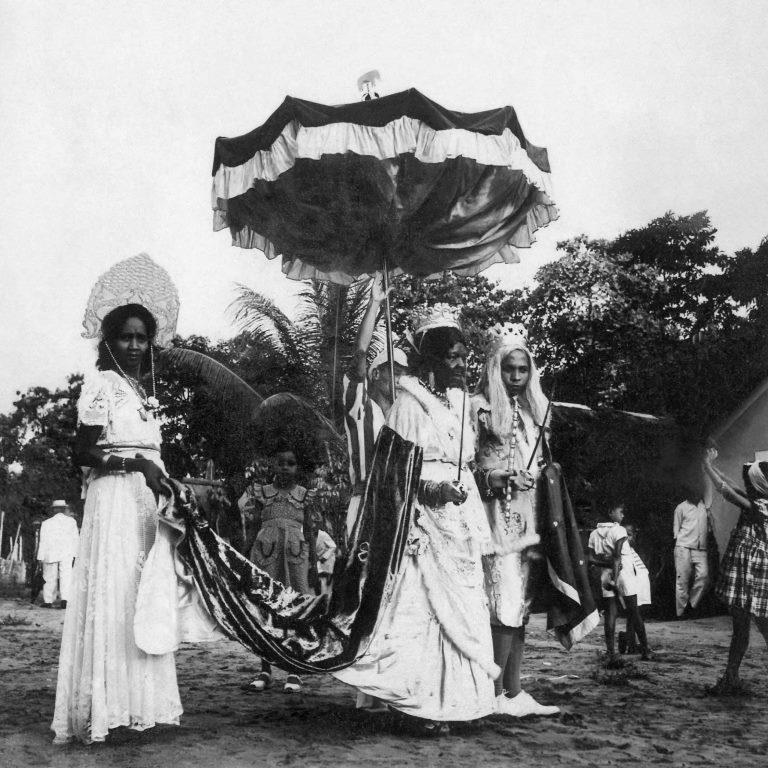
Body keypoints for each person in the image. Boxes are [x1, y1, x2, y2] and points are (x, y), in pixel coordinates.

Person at [334, 304, 498, 733]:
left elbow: (467, 459)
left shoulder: (464, 404)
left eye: (465, 356)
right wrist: (433, 490)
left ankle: (461, 701)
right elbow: (393, 476)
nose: (462, 364)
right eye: (453, 357)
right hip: (422, 521)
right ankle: (420, 706)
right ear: (429, 360)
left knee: (465, 602)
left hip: (461, 517)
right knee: (423, 607)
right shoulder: (408, 405)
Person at [53, 254, 181, 744]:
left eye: (141, 337)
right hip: (113, 502)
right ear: (110, 340)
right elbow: (82, 451)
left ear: (150, 343)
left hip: (146, 503)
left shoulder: (143, 394)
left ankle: (143, 707)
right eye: (125, 336)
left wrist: (165, 480)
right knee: (115, 594)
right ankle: (110, 711)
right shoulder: (101, 386)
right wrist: (135, 466)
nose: (133, 344)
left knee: (144, 596)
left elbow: (152, 452)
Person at [471, 323, 559, 717]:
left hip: (528, 519)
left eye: (523, 370)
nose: (517, 377)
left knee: (519, 605)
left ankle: (513, 690)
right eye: (510, 370)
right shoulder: (478, 409)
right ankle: (490, 693)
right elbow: (464, 467)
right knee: (502, 603)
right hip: (492, 519)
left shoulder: (534, 412)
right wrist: (495, 477)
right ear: (495, 368)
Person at [239, 445, 318, 694]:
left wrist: (314, 564)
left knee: (294, 608)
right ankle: (265, 669)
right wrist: (244, 558)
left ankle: (294, 670)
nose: (285, 467)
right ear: (273, 465)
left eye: (291, 463)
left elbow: (311, 530)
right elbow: (251, 527)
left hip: (296, 556)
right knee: (266, 606)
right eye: (280, 462)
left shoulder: (305, 495)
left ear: (297, 467)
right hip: (265, 554)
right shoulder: (261, 493)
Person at [342, 272, 408, 539]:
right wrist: (375, 304)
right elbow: (360, 355)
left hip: (396, 506)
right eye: (395, 371)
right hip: (365, 503)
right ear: (376, 374)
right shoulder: (361, 407)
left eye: (404, 372)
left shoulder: (404, 415)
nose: (401, 379)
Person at [703, 450, 768, 694]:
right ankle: (731, 677)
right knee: (746, 627)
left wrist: (707, 465)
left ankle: (731, 677)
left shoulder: (759, 505)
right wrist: (712, 466)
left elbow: (726, 491)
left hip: (753, 575)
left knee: (749, 627)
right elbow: (729, 485)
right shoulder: (759, 500)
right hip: (753, 574)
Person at [588, 504, 651, 664]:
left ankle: (610, 652)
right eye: (620, 512)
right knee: (634, 611)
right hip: (623, 574)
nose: (623, 515)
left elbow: (591, 559)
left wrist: (605, 565)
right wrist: (615, 579)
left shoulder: (594, 533)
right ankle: (645, 650)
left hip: (605, 574)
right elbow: (617, 558)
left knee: (610, 613)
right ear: (610, 512)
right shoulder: (619, 530)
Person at [673, 487, 711, 618]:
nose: (695, 493)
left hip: (701, 548)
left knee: (703, 576)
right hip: (683, 547)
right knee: (682, 580)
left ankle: (691, 605)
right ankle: (681, 613)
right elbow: (676, 531)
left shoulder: (704, 506)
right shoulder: (681, 507)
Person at [37, 500, 80, 609]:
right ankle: (65, 599)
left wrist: (40, 556)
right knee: (66, 576)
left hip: (51, 553)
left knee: (49, 576)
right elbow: (76, 539)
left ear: (54, 509)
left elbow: (43, 541)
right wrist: (76, 554)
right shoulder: (71, 522)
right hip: (66, 553)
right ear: (64, 509)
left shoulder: (46, 523)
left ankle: (48, 600)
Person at [617, 523, 651, 655]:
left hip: (640, 583)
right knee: (633, 613)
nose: (627, 539)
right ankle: (632, 642)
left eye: (629, 535)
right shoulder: (623, 550)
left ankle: (630, 642)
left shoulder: (632, 551)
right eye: (625, 536)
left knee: (633, 614)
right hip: (631, 584)